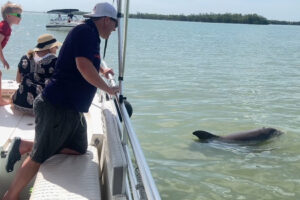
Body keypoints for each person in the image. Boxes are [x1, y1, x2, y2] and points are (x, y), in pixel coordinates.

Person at [2, 2, 119, 199]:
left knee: (79, 149)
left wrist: (103, 70)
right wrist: (108, 88)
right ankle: (10, 196)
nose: (115, 29)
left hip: (72, 109)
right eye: (115, 24)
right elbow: (83, 66)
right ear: (106, 19)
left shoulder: (88, 32)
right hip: (58, 106)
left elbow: (85, 59)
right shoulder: (86, 32)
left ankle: (28, 144)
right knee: (38, 157)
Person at [12, 34, 61, 115]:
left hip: (19, 102)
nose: (57, 48)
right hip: (42, 106)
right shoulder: (55, 61)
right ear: (50, 47)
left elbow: (18, 80)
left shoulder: (25, 58)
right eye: (56, 46)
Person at [0, 1, 22, 106]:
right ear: (8, 16)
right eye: (17, 15)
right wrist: (3, 60)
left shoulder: (5, 26)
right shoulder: (5, 27)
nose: (20, 17)